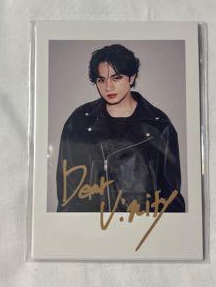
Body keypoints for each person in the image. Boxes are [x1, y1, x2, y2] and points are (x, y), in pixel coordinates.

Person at [56, 43, 184, 213]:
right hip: (91, 227)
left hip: (142, 226)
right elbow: (67, 194)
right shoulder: (79, 122)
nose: (108, 87)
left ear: (131, 77)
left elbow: (171, 199)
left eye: (116, 78)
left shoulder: (159, 125)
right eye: (101, 80)